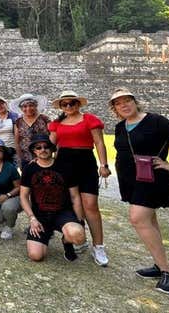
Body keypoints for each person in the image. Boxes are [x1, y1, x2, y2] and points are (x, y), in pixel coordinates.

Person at [110, 88, 169, 294]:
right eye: (118, 103)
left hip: (152, 178)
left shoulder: (156, 121)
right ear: (114, 109)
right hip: (130, 180)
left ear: (135, 101)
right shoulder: (120, 127)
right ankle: (159, 265)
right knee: (149, 221)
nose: (124, 105)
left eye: (127, 100)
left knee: (138, 219)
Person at [48, 90, 111, 266]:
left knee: (90, 205)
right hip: (63, 165)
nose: (68, 107)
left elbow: (99, 142)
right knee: (72, 204)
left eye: (72, 103)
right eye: (64, 104)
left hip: (85, 163)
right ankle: (76, 238)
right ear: (61, 106)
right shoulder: (56, 123)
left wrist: (103, 164)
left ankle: (98, 246)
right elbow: (51, 145)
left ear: (78, 104)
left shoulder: (90, 119)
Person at [20, 136, 86, 263]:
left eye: (46, 147)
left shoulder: (65, 167)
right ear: (34, 151)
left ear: (52, 149)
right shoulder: (29, 169)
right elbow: (23, 196)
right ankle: (46, 233)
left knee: (78, 236)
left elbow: (75, 196)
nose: (43, 150)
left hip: (63, 213)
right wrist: (32, 218)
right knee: (36, 256)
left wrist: (79, 220)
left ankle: (66, 241)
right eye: (38, 147)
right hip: (40, 216)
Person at [13, 93, 51, 170]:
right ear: (21, 108)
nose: (28, 108)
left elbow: (52, 138)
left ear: (36, 106)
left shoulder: (45, 119)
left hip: (44, 157)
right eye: (25, 106)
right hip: (26, 158)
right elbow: (17, 142)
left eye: (31, 105)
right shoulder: (18, 122)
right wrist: (21, 160)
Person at [0, 96, 19, 162]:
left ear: (6, 104)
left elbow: (18, 134)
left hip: (10, 148)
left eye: (1, 104)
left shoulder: (14, 116)